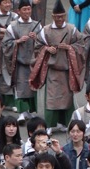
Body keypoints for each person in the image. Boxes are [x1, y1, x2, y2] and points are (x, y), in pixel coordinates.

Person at [30, 0, 86, 130]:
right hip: (52, 70)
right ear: (53, 16)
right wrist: (47, 49)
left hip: (67, 70)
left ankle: (64, 123)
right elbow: (38, 47)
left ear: (65, 16)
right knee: (51, 99)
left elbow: (81, 45)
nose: (60, 19)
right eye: (57, 17)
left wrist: (69, 47)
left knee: (67, 99)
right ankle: (49, 125)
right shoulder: (46, 30)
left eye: (62, 16)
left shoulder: (71, 29)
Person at [3, 1, 42, 114]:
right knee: (20, 88)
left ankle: (32, 112)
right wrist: (17, 41)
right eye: (24, 9)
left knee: (32, 87)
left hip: (33, 63)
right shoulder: (13, 26)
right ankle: (21, 113)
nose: (27, 12)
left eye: (29, 9)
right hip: (19, 63)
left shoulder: (37, 25)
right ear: (18, 11)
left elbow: (43, 43)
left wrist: (36, 38)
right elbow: (5, 44)